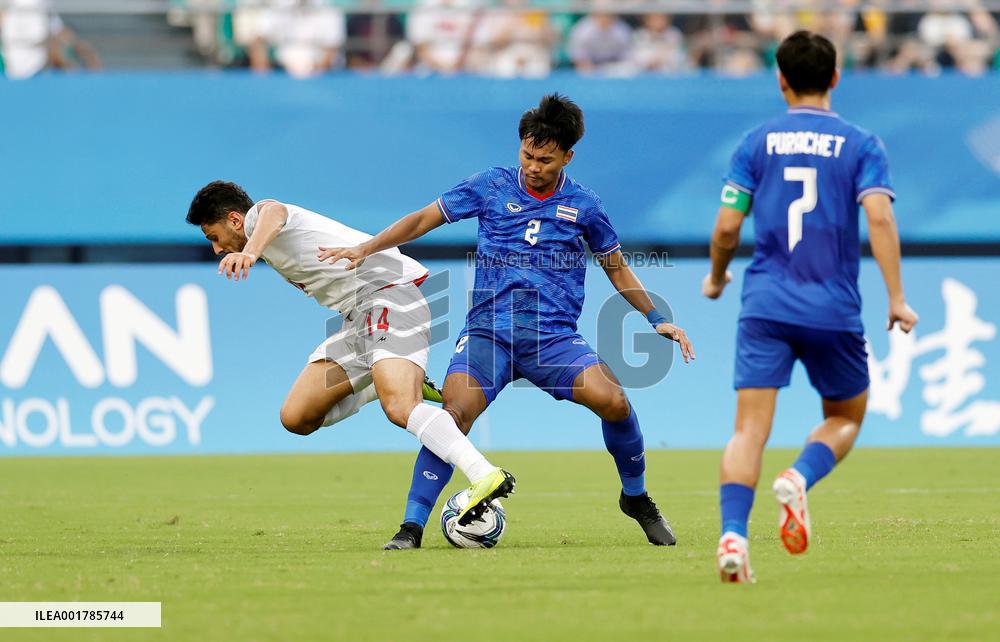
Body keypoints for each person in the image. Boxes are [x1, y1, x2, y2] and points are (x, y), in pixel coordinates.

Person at [319, 94, 695, 550]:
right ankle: (411, 527)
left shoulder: (586, 206)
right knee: (452, 417)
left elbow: (615, 265)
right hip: (487, 335)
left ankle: (635, 498)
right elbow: (422, 219)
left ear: (568, 156)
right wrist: (367, 247)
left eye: (546, 159)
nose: (534, 166)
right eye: (528, 155)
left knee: (613, 400)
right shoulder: (491, 185)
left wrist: (656, 318)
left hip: (553, 340)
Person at [703, 31, 919, 583]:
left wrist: (717, 275)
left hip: (766, 303)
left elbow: (728, 225)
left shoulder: (755, 142)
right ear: (836, 77)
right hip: (833, 307)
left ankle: (732, 537)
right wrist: (895, 297)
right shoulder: (862, 144)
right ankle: (799, 478)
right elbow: (879, 218)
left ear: (780, 79)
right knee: (845, 417)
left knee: (748, 430)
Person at [185, 181, 515, 527]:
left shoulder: (258, 218)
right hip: (357, 322)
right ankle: (381, 377)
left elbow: (274, 212)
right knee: (296, 417)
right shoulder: (268, 240)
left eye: (214, 236)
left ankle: (484, 473)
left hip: (390, 297)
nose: (217, 248)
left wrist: (249, 252)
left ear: (235, 220)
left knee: (401, 408)